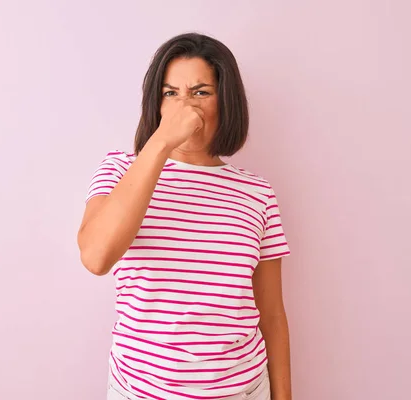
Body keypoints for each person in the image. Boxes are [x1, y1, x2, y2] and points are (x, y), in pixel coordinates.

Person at [78, 32, 292, 400]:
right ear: (157, 104)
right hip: (139, 392)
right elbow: (96, 258)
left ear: (225, 102)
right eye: (170, 93)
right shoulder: (120, 169)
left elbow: (271, 314)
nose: (183, 106)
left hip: (243, 391)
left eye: (200, 92)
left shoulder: (257, 194)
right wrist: (161, 143)